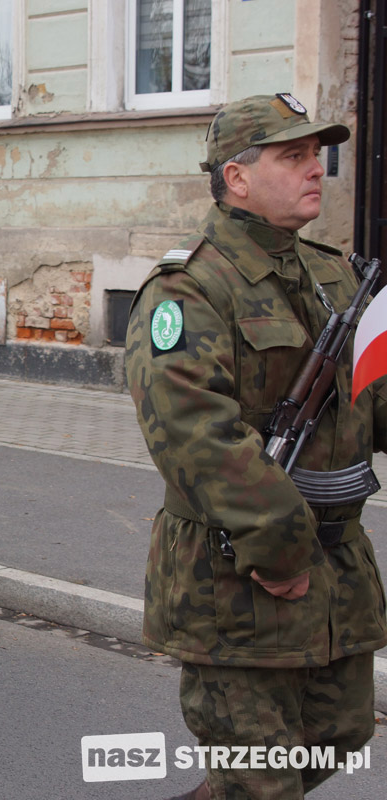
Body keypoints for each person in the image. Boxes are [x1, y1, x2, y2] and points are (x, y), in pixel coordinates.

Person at [125, 95, 387, 800]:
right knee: (262, 779)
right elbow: (192, 432)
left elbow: (372, 398)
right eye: (293, 155)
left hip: (335, 572)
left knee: (338, 737)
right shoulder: (189, 288)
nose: (316, 169)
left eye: (317, 155)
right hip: (240, 571)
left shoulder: (332, 275)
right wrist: (279, 547)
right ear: (237, 178)